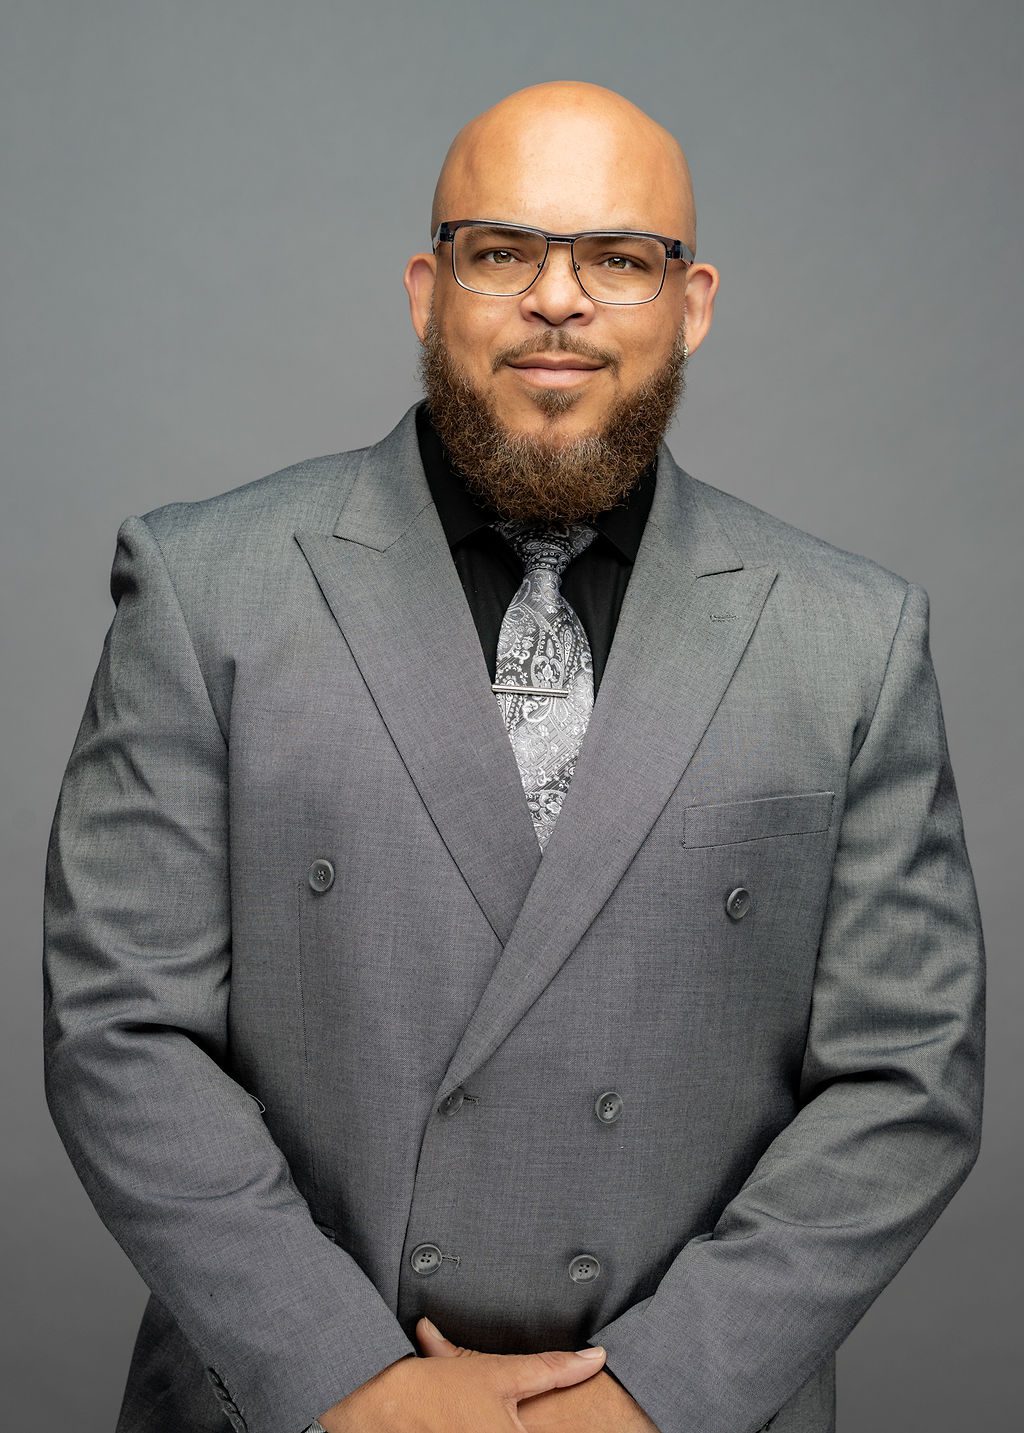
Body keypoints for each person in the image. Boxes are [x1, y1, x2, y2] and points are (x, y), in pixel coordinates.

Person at [42, 81, 986, 1433]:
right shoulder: (208, 589)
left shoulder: (852, 637)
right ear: (429, 288)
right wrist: (343, 1376)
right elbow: (120, 1025)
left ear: (693, 300)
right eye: (504, 251)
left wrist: (661, 1392)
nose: (561, 298)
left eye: (619, 256)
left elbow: (908, 1071)